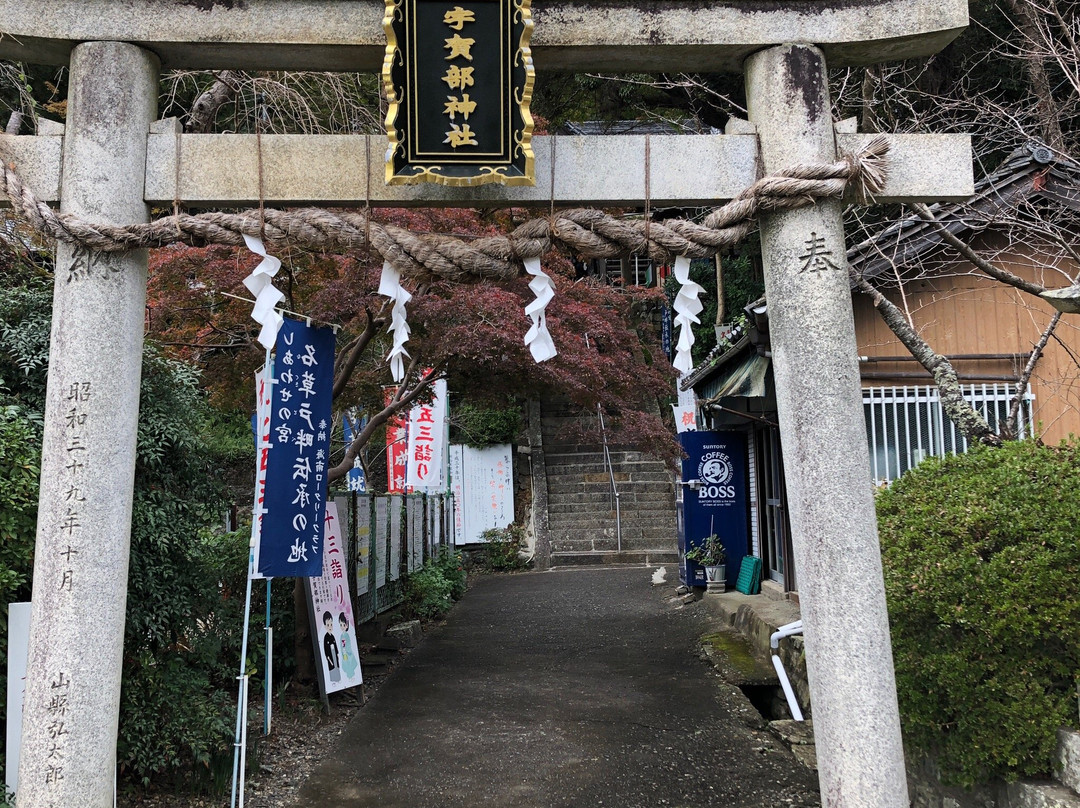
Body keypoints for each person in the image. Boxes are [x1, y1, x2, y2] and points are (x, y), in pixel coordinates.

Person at [338, 611, 360, 681]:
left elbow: (346, 644)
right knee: (346, 664)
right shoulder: (342, 635)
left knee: (349, 663)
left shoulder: (346, 635)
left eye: (343, 625)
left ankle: (351, 677)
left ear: (347, 625)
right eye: (340, 625)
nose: (342, 627)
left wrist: (345, 650)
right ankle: (349, 677)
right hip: (345, 652)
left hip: (347, 652)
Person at [322, 610, 341, 683]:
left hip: (334, 653)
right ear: (325, 626)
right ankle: (333, 680)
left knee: (336, 665)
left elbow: (335, 645)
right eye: (328, 625)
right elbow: (325, 649)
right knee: (332, 666)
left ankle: (338, 679)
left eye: (331, 624)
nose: (330, 627)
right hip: (330, 654)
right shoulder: (325, 637)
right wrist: (328, 657)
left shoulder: (332, 636)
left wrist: (337, 653)